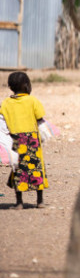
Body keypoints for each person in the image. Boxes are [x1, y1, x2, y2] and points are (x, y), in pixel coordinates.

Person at [0, 72, 49, 209]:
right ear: (27, 85)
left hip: (16, 140)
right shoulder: (32, 101)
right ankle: (40, 201)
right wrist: (45, 136)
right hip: (32, 140)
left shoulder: (6, 103)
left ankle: (19, 203)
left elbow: (2, 124)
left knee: (19, 170)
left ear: (10, 87)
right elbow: (40, 119)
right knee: (36, 169)